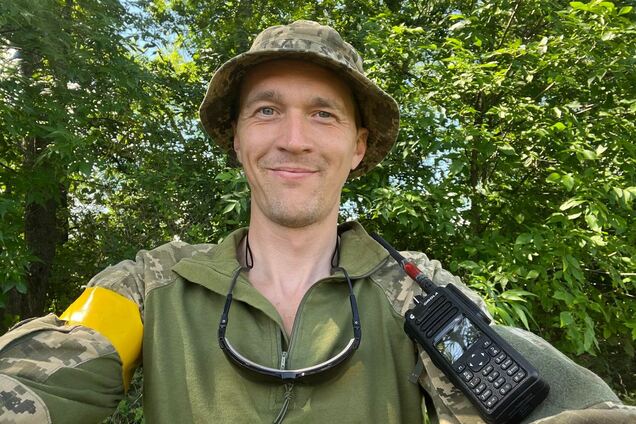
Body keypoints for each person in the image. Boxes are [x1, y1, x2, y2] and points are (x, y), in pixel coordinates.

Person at [0, 20, 633, 424]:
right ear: (237, 138)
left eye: (324, 114)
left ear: (358, 146)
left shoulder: (418, 294)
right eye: (267, 110)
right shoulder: (149, 288)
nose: (294, 139)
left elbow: (559, 407)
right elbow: (36, 382)